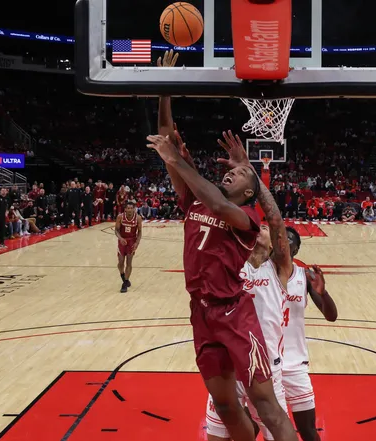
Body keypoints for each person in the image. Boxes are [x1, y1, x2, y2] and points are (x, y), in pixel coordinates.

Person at [148, 50, 297, 441]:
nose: (231, 174)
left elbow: (216, 199)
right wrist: (165, 88)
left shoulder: (245, 220)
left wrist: (178, 162)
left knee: (267, 406)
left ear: (251, 191)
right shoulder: (195, 198)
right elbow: (166, 137)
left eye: (240, 174)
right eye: (230, 171)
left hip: (235, 314)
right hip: (201, 313)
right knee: (227, 406)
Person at [205, 131, 294, 441]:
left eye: (265, 230)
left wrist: (254, 178)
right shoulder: (232, 262)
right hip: (230, 367)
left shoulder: (279, 267)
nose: (259, 232)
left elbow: (276, 221)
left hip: (267, 372)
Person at [282, 227, 337, 441]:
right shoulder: (258, 271)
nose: (286, 241)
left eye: (291, 239)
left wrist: (323, 293)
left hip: (295, 364)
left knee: (308, 431)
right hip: (264, 365)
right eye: (281, 237)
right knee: (254, 428)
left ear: (297, 248)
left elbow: (331, 315)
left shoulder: (304, 276)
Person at [115, 201, 141, 293]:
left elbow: (140, 232)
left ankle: (125, 283)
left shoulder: (138, 218)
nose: (129, 210)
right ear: (125, 209)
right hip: (122, 240)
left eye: (131, 208)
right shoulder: (120, 217)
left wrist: (137, 243)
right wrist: (120, 238)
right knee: (121, 262)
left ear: (134, 209)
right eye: (128, 208)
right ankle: (122, 275)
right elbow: (116, 231)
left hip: (132, 241)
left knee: (129, 262)